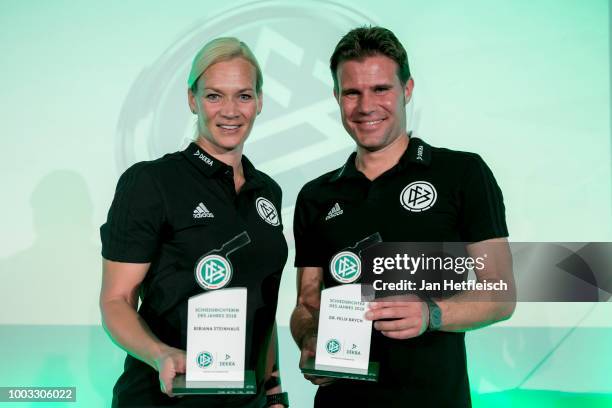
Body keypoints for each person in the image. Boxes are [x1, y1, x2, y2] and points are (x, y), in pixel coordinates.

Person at [290, 26, 515, 407]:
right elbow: (307, 302)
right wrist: (310, 340)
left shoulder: (462, 173)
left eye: (381, 89)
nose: (366, 106)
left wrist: (432, 314)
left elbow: (501, 292)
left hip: (434, 398)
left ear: (407, 89)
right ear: (337, 97)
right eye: (352, 92)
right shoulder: (316, 195)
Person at [100, 37, 289, 408]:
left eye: (244, 96)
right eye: (214, 96)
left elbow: (263, 304)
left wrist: (273, 391)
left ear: (260, 102)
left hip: (245, 402)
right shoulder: (152, 182)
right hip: (165, 398)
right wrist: (160, 354)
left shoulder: (268, 191)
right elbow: (115, 300)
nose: (230, 111)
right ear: (192, 99)